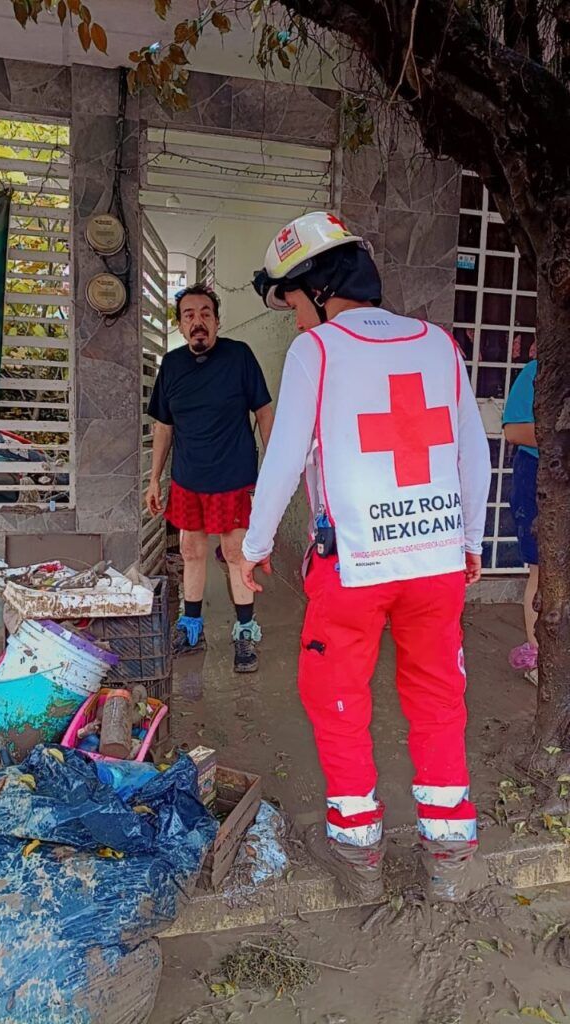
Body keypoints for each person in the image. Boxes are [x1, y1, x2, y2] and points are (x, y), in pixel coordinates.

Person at [239, 211, 491, 902]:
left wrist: (252, 548)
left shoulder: (317, 352)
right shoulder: (439, 345)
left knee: (338, 700)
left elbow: (285, 457)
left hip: (353, 566)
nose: (293, 319)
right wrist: (468, 540)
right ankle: (449, 855)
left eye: (290, 301)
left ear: (317, 288)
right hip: (436, 563)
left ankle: (358, 856)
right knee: (439, 699)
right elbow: (474, 455)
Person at [146, 284, 274, 673]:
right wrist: (155, 479)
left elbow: (264, 411)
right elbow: (164, 426)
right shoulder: (171, 365)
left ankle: (246, 630)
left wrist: (273, 468)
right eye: (189, 315)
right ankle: (191, 625)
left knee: (236, 554)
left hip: (233, 478)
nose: (198, 321)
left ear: (217, 320)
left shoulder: (239, 357)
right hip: (188, 479)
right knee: (190, 552)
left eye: (205, 313)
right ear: (181, 326)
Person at [502, 357, 539, 672]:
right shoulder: (536, 371)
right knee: (543, 571)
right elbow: (514, 430)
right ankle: (540, 657)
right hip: (540, 477)